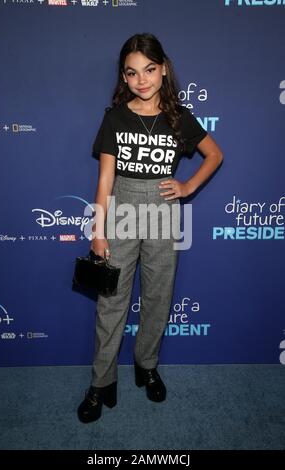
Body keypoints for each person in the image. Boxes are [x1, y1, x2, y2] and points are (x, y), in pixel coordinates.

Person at [77, 33, 223, 423]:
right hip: (121, 212)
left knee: (158, 297)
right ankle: (101, 383)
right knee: (111, 302)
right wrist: (98, 229)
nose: (142, 79)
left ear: (164, 69)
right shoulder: (115, 117)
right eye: (132, 72)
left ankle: (147, 366)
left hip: (163, 214)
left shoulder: (179, 116)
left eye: (149, 69)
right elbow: (105, 179)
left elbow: (215, 154)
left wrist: (188, 185)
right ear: (123, 78)